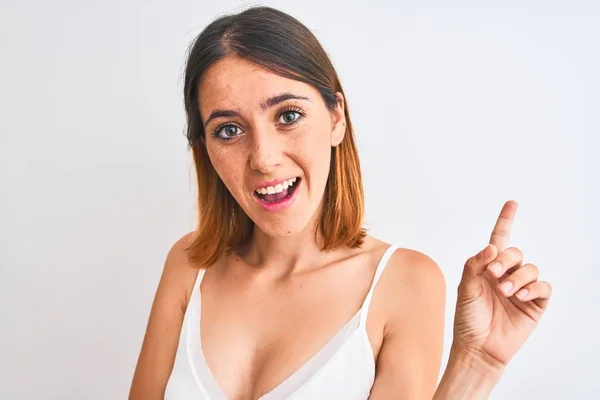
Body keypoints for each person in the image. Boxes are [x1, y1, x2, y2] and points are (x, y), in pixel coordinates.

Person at [129, 6, 552, 400]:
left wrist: (475, 366)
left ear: (336, 118)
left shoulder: (403, 283)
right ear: (205, 147)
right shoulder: (188, 266)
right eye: (228, 130)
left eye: (288, 116)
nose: (263, 158)